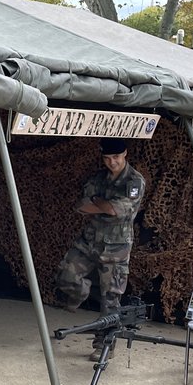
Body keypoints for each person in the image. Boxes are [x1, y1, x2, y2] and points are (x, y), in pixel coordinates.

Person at [55, 137, 146, 360]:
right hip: (89, 241)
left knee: (110, 300)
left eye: (116, 157)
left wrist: (98, 202)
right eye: (107, 158)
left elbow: (118, 210)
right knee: (66, 274)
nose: (112, 162)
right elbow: (81, 206)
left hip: (116, 248)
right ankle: (80, 293)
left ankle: (104, 346)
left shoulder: (134, 181)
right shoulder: (98, 177)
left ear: (125, 154)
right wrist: (102, 205)